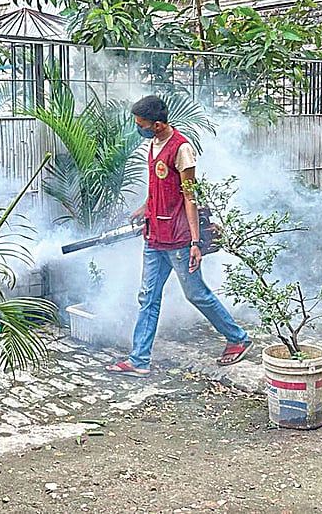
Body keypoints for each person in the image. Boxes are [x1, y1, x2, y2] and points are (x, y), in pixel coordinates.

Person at [106, 95, 252, 377]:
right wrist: (146, 207)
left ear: (158, 125)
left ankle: (238, 337)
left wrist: (196, 242)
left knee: (196, 294)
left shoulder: (181, 149)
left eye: (142, 124)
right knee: (147, 297)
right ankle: (139, 360)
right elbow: (159, 187)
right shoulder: (153, 144)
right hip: (155, 236)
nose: (139, 128)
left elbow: (189, 197)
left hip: (179, 239)